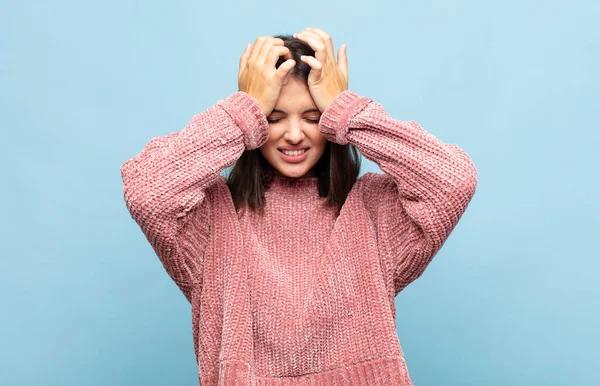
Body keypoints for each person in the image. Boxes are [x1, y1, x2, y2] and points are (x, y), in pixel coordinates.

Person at [120, 27, 478, 386]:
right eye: (273, 118)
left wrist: (347, 108)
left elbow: (454, 181)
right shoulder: (211, 218)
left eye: (312, 118)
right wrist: (244, 110)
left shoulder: (374, 211)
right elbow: (146, 190)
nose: (294, 134)